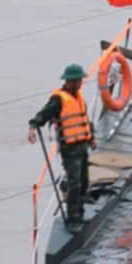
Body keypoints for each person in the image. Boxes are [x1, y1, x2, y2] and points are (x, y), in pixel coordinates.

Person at [27, 62, 93, 228]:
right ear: (71, 81)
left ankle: (80, 209)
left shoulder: (78, 96)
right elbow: (42, 115)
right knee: (74, 183)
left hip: (82, 145)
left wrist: (92, 138)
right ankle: (73, 217)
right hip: (70, 149)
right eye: (78, 80)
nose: (81, 83)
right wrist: (33, 127)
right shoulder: (58, 99)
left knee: (84, 181)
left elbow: (85, 120)